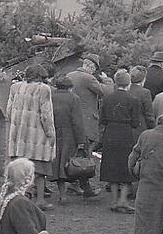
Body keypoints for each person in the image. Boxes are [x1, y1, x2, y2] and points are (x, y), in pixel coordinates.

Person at [7, 65, 56, 211]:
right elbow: (46, 115)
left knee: (21, 169)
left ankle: (20, 199)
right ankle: (40, 200)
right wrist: (50, 133)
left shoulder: (15, 87)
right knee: (40, 169)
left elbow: (8, 112)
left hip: (19, 135)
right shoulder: (43, 89)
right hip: (37, 136)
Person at [47, 76, 96, 204]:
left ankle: (63, 195)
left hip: (55, 133)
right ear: (70, 87)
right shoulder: (74, 98)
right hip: (70, 134)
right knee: (79, 162)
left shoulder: (51, 96)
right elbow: (77, 121)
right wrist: (81, 140)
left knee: (58, 165)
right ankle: (86, 189)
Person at [100, 69, 141, 213]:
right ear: (128, 83)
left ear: (116, 83)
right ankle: (123, 201)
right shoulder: (133, 100)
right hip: (125, 134)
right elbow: (136, 122)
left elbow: (102, 119)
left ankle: (113, 201)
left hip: (110, 133)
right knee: (125, 165)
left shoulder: (107, 98)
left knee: (111, 165)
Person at [67, 53, 106, 149]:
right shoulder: (89, 78)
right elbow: (105, 91)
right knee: (85, 153)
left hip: (70, 119)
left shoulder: (69, 75)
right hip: (86, 123)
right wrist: (106, 79)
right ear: (92, 67)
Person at [128, 65, 157, 140]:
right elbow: (148, 114)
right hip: (139, 128)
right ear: (144, 79)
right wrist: (154, 128)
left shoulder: (123, 89)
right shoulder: (145, 92)